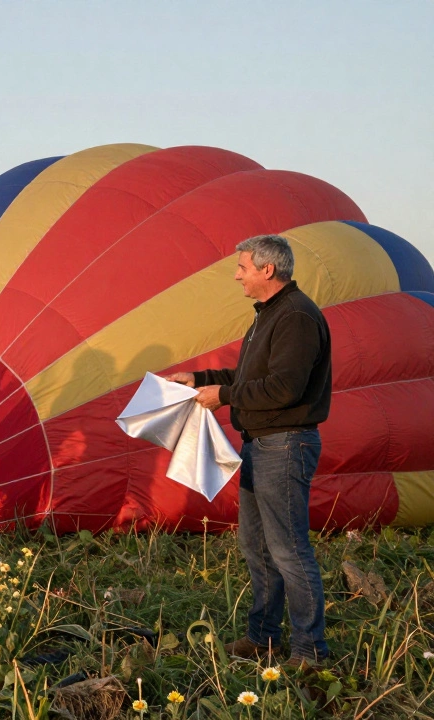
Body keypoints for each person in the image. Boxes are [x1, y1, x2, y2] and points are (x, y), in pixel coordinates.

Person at [165, 234, 332, 668]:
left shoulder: (295, 317)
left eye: (242, 267)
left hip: (285, 443)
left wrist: (223, 395)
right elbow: (250, 375)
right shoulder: (268, 315)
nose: (236, 275)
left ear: (267, 270)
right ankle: (263, 639)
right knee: (256, 545)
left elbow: (283, 387)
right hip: (261, 444)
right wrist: (201, 377)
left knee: (288, 549)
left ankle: (310, 652)